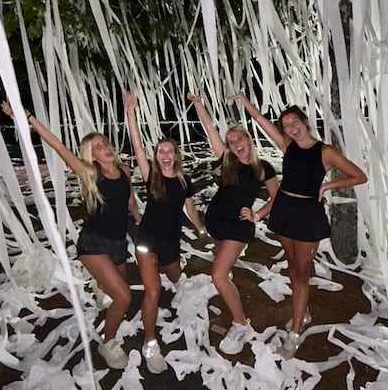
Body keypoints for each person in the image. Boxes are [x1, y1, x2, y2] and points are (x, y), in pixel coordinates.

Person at [1, 101, 141, 370]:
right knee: (124, 297)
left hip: (118, 241)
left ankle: (100, 287)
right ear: (91, 155)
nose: (106, 148)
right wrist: (27, 115)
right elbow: (58, 146)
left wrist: (138, 221)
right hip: (93, 244)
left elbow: (130, 200)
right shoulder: (90, 173)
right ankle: (107, 343)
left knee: (114, 287)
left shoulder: (124, 170)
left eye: (106, 143)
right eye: (98, 147)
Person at [229, 92, 367, 359]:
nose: (292, 128)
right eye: (287, 125)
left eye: (295, 123)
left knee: (302, 273)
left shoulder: (325, 152)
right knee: (292, 267)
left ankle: (295, 332)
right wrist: (245, 99)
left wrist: (328, 184)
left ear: (305, 121)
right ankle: (303, 312)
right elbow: (259, 119)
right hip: (284, 211)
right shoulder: (287, 145)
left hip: (308, 215)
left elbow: (359, 176)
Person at [187, 92, 280, 355]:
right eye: (231, 141)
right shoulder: (227, 160)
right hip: (216, 219)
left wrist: (258, 215)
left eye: (240, 138)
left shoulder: (264, 168)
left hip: (239, 226)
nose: (236, 143)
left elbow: (276, 197)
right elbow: (209, 128)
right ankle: (230, 287)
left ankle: (241, 323)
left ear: (248, 141)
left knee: (217, 274)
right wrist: (199, 105)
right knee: (224, 268)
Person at [125, 91, 206, 373]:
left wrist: (200, 228)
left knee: (175, 278)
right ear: (157, 157)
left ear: (176, 155)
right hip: (147, 240)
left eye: (170, 151)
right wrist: (131, 111)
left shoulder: (184, 180)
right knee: (153, 291)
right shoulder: (151, 176)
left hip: (172, 241)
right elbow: (136, 145)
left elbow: (190, 209)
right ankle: (150, 344)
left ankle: (175, 279)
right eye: (161, 152)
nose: (166, 155)